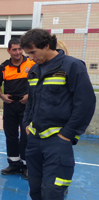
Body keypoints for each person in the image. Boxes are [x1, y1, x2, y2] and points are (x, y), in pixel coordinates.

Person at [20, 29, 96, 200]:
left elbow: (85, 103)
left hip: (58, 141)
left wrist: (67, 134)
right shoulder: (34, 70)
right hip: (34, 140)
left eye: (33, 52)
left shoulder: (73, 66)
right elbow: (30, 102)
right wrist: (26, 123)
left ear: (47, 46)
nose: (30, 58)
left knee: (52, 191)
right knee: (35, 190)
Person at [0, 38, 36, 179]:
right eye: (14, 49)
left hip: (26, 106)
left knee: (26, 136)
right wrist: (1, 95)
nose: (18, 52)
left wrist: (29, 96)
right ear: (9, 51)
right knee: (10, 136)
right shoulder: (4, 66)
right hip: (10, 106)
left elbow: (39, 83)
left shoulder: (31, 63)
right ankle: (14, 164)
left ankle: (26, 166)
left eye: (20, 49)